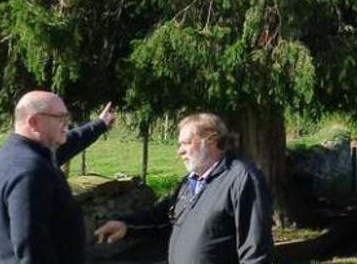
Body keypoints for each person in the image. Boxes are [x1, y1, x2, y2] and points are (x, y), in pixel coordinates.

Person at [93, 113, 273, 264]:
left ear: (210, 140)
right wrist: (126, 226)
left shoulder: (241, 178)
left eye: (186, 143)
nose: (180, 151)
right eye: (179, 145)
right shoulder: (190, 183)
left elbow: (255, 250)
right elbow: (163, 219)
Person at [0, 91, 117, 264]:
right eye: (59, 118)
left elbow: (69, 142)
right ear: (33, 122)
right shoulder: (29, 171)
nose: (66, 124)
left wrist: (100, 124)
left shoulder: (25, 152)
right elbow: (31, 249)